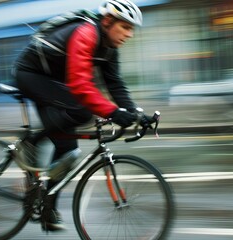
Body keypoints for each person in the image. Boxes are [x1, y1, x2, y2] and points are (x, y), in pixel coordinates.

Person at [13, 0, 146, 231]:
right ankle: (32, 142)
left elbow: (115, 84)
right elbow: (81, 86)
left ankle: (46, 207)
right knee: (81, 110)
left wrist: (134, 114)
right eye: (125, 27)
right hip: (30, 74)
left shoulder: (109, 49)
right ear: (107, 21)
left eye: (132, 29)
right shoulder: (86, 33)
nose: (130, 34)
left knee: (68, 152)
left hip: (55, 84)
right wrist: (113, 112)